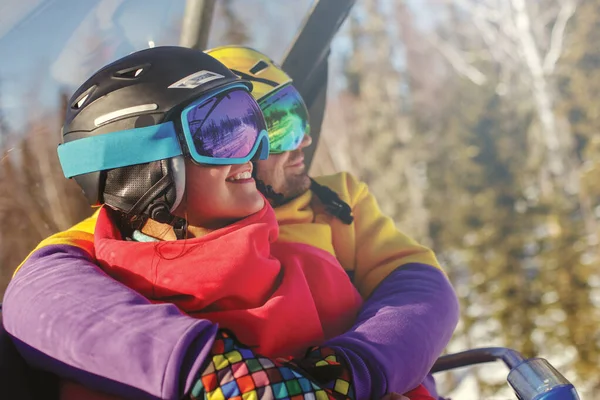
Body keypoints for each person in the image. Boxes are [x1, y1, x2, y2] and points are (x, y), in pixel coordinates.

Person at [3, 46, 459, 400]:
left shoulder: (331, 212)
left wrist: (356, 367)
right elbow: (47, 295)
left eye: (271, 123)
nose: (263, 146)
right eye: (230, 130)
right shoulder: (119, 249)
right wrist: (219, 373)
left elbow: (421, 287)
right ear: (147, 170)